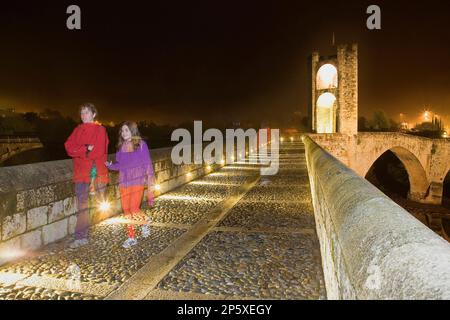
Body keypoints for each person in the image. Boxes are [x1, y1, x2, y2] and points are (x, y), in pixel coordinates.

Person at [64, 103, 109, 249]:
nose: (84, 115)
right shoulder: (77, 130)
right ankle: (81, 236)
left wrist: (81, 152)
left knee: (96, 203)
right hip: (80, 174)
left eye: (87, 113)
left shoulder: (100, 130)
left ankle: (85, 234)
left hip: (94, 174)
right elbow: (68, 147)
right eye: (82, 113)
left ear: (94, 114)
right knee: (82, 205)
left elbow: (98, 151)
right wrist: (85, 149)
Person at [106, 121, 154, 248]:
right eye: (122, 131)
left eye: (126, 130)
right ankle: (131, 237)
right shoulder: (121, 147)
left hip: (137, 181)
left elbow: (148, 164)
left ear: (132, 131)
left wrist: (150, 184)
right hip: (124, 182)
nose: (123, 133)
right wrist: (110, 165)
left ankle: (145, 221)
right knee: (126, 210)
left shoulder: (141, 144)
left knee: (133, 208)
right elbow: (120, 166)